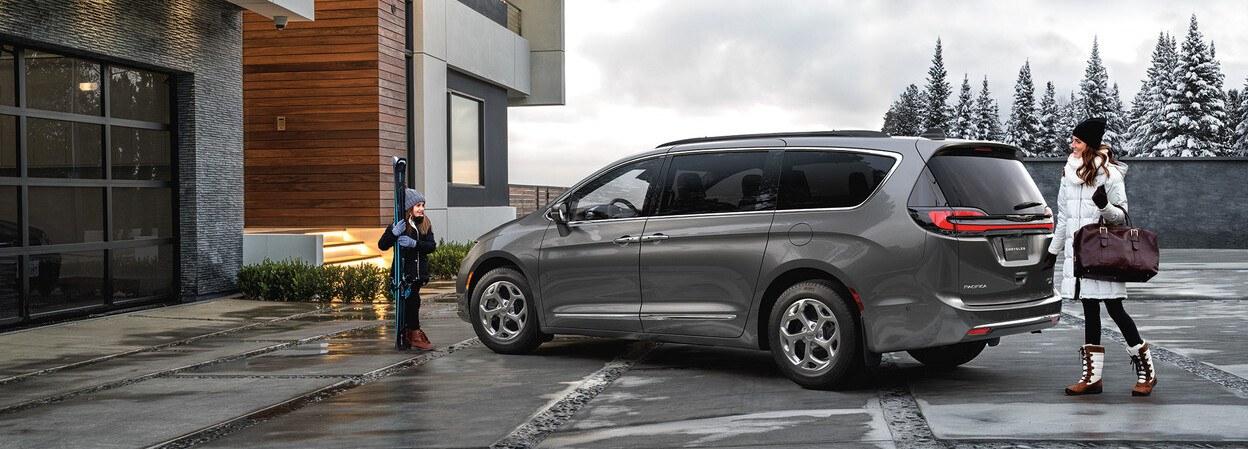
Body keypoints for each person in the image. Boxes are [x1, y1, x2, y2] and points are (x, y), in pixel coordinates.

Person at [1043, 117, 1156, 396]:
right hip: (1080, 254)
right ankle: (1093, 379)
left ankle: (1147, 372)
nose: (1073, 145)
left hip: (1105, 254)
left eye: (1078, 141)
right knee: (1090, 311)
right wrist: (1053, 252)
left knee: (1115, 309)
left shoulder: (1110, 174)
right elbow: (1064, 218)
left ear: (1090, 144)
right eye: (1073, 140)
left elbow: (1121, 217)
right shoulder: (1067, 174)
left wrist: (1104, 206)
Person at [378, 188, 438, 350]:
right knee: (411, 303)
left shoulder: (425, 223)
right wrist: (393, 234)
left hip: (418, 274)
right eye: (418, 205)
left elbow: (431, 246)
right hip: (404, 274)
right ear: (408, 207)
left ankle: (412, 334)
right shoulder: (399, 224)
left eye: (423, 205)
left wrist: (415, 244)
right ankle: (413, 334)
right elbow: (382, 245)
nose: (421, 209)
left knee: (414, 303)